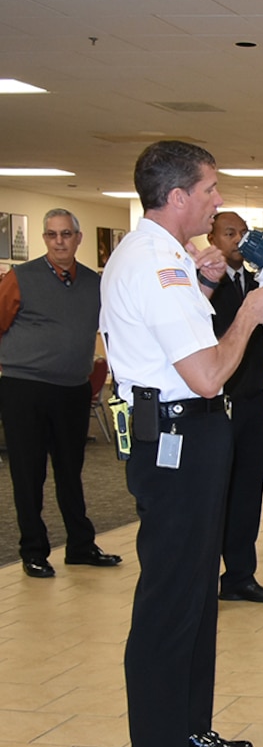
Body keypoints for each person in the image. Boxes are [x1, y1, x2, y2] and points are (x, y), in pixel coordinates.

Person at [99, 140, 263, 747]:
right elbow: (206, 374)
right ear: (177, 197)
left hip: (189, 432)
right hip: (176, 433)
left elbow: (174, 340)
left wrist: (207, 286)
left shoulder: (170, 259)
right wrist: (246, 314)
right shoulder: (154, 265)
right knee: (170, 599)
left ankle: (187, 728)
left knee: (195, 592)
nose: (218, 200)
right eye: (209, 190)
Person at [0, 208, 121, 579]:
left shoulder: (93, 282)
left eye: (66, 234)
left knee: (71, 471)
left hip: (71, 388)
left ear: (78, 238)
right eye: (52, 235)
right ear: (44, 239)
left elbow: (109, 328)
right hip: (25, 388)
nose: (59, 241)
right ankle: (33, 550)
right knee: (28, 471)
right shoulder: (19, 277)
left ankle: (80, 546)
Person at [204, 211, 263, 604]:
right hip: (216, 403)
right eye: (229, 233)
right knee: (214, 491)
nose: (237, 240)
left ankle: (240, 574)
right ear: (212, 237)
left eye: (243, 233)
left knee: (248, 490)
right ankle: (202, 576)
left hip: (250, 404)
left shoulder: (256, 285)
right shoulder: (202, 286)